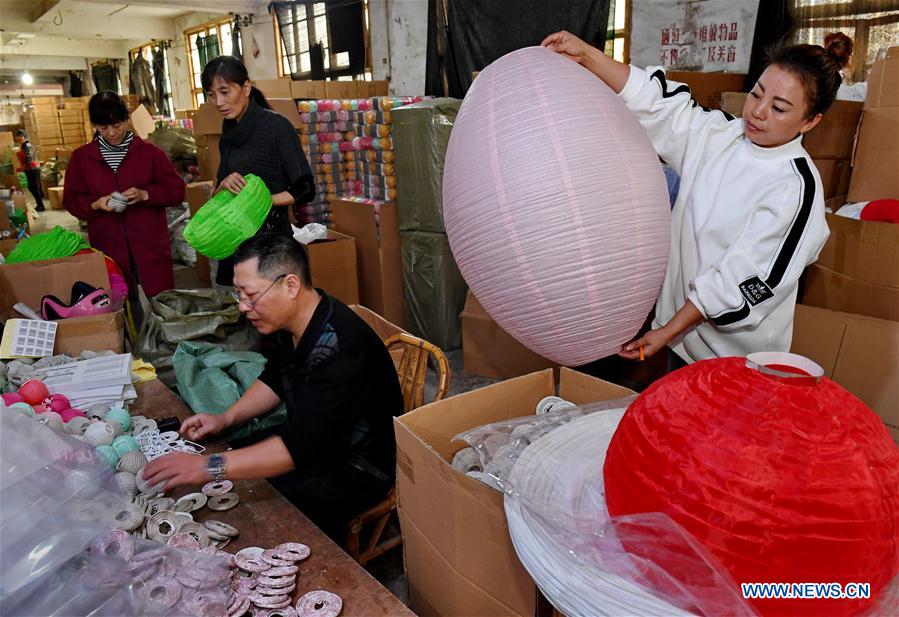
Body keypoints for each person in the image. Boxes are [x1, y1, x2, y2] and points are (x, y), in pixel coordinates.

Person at [542, 31, 849, 368]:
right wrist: (586, 55)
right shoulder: (722, 136)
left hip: (734, 361)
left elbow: (737, 281)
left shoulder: (793, 189)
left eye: (778, 108)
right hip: (678, 339)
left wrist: (665, 330)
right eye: (756, 93)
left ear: (810, 121)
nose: (758, 112)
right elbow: (659, 106)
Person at [142, 234, 404, 540]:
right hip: (313, 440)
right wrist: (226, 418)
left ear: (290, 285)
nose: (242, 307)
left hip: (357, 468)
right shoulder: (292, 322)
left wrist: (208, 467)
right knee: (233, 452)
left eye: (250, 295)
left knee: (248, 508)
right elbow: (275, 380)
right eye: (238, 295)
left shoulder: (340, 346)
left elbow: (302, 446)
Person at [63, 91, 185, 322]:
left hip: (149, 245)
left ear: (127, 119)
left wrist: (145, 194)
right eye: (102, 127)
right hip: (109, 247)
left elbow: (176, 191)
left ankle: (168, 346)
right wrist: (96, 203)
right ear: (94, 126)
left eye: (117, 125)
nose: (111, 133)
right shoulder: (81, 159)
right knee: (123, 306)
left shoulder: (150, 154)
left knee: (164, 304)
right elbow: (71, 200)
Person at [200, 56, 315, 287]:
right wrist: (223, 185)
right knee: (242, 313)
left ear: (246, 88)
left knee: (271, 314)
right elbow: (218, 193)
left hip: (271, 245)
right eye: (212, 94)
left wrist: (260, 201)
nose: (219, 102)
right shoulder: (229, 132)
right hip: (235, 241)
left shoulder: (276, 127)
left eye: (225, 92)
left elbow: (306, 189)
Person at [14, 130, 45, 212]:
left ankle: (41, 206)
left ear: (23, 137)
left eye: (19, 137)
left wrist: (23, 167)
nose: (18, 139)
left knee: (33, 187)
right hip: (30, 169)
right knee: (33, 187)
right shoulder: (23, 146)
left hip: (33, 169)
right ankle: (40, 204)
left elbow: (29, 159)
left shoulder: (27, 145)